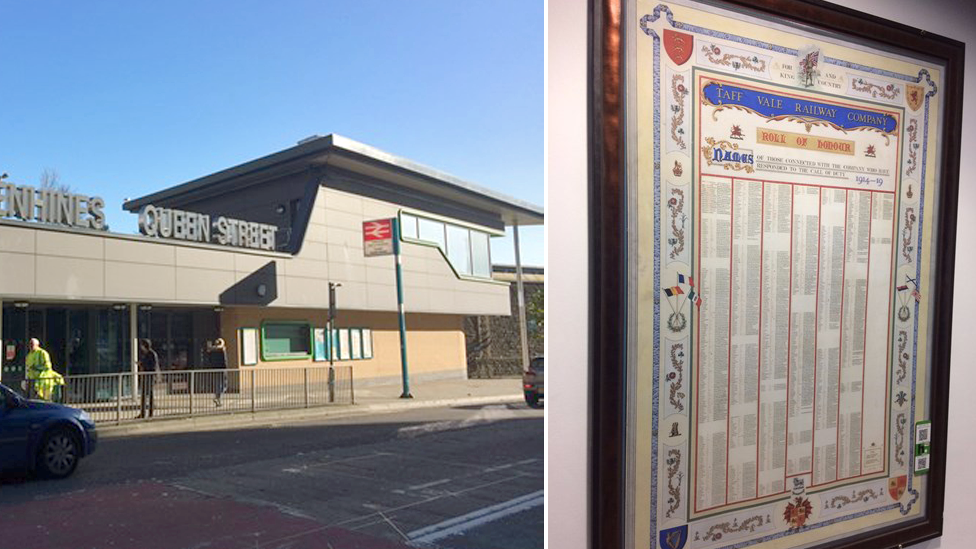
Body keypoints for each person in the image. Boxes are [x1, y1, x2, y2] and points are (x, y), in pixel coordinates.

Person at [137, 339, 160, 418]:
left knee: (150, 395)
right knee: (144, 395)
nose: (141, 347)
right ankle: (143, 413)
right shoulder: (145, 354)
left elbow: (153, 366)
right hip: (145, 376)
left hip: (150, 376)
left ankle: (150, 413)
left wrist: (143, 365)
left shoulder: (152, 354)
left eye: (142, 345)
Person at [207, 338, 228, 407]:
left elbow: (209, 360)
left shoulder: (212, 351)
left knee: (217, 384)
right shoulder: (221, 350)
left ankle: (218, 398)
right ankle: (217, 398)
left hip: (214, 369)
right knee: (223, 385)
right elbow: (224, 361)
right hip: (221, 369)